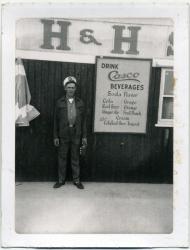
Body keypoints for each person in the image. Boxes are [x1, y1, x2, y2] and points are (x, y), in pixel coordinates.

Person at [53, 76, 87, 189]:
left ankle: (77, 180)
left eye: (73, 87)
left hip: (76, 134)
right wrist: (55, 136)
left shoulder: (80, 102)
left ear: (75, 89)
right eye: (69, 87)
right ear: (65, 88)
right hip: (63, 135)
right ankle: (61, 180)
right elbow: (55, 121)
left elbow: (84, 122)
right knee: (62, 158)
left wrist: (84, 137)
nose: (71, 89)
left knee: (75, 157)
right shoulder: (59, 102)